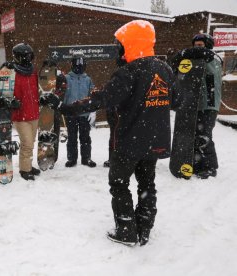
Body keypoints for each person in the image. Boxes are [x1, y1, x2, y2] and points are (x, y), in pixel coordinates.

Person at [42, 20, 179, 246]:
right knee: (147, 185)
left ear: (131, 44)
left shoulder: (129, 73)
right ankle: (144, 227)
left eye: (121, 45)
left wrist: (62, 106)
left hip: (129, 142)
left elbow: (100, 100)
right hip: (155, 141)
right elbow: (177, 100)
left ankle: (126, 229)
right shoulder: (164, 70)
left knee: (119, 183)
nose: (119, 50)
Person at [172, 34, 222, 179]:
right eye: (195, 45)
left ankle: (210, 167)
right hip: (194, 104)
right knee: (193, 136)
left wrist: (185, 53)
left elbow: (203, 55)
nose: (196, 48)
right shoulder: (195, 60)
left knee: (204, 135)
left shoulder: (214, 58)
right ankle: (197, 163)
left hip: (209, 104)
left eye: (200, 45)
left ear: (208, 45)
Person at [6, 43, 41, 180]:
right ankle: (24, 170)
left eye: (29, 56)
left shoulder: (33, 71)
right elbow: (1, 90)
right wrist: (11, 101)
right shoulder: (10, 72)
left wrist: (50, 70)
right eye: (25, 56)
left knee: (31, 143)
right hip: (20, 115)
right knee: (27, 143)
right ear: (18, 57)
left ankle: (28, 165)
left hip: (34, 113)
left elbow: (42, 86)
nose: (28, 58)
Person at [62, 52, 97, 168]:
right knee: (72, 137)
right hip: (71, 113)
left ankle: (86, 158)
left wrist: (92, 110)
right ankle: (72, 159)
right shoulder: (66, 78)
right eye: (77, 65)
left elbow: (92, 95)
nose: (79, 67)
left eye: (81, 65)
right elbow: (62, 94)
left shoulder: (88, 79)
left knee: (85, 137)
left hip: (84, 113)